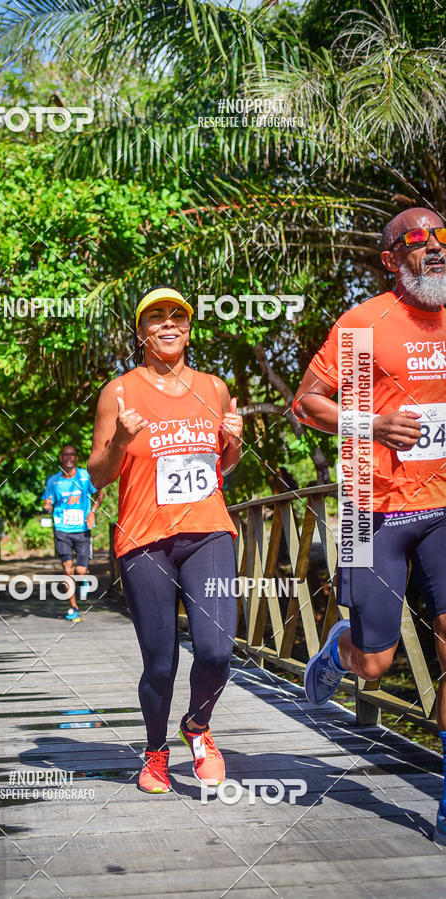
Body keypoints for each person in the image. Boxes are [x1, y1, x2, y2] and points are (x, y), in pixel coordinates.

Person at [292, 207, 446, 842]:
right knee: (376, 663)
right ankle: (339, 646)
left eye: (444, 236)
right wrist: (373, 425)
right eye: (419, 239)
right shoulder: (364, 323)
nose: (435, 247)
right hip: (370, 509)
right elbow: (306, 403)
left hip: (442, 507)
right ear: (392, 259)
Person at [88, 285, 243, 793]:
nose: (168, 324)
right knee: (160, 661)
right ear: (141, 331)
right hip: (144, 539)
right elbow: (99, 475)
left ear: (190, 327)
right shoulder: (119, 392)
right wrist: (122, 441)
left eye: (178, 315)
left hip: (209, 532)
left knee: (217, 650)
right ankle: (155, 752)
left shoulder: (214, 388)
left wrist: (236, 442)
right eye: (156, 317)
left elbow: (221, 465)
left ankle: (197, 727)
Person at [42, 445, 104, 621]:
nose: (69, 457)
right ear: (61, 458)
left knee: (80, 570)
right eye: (65, 455)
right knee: (68, 570)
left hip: (82, 529)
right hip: (62, 529)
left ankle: (83, 578)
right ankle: (74, 607)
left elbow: (100, 494)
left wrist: (93, 512)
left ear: (76, 458)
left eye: (72, 455)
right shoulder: (53, 481)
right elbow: (48, 502)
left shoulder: (85, 477)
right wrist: (47, 506)